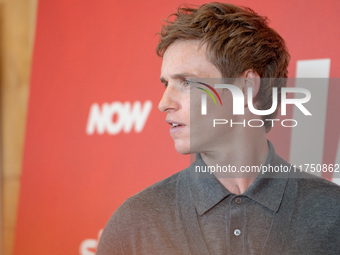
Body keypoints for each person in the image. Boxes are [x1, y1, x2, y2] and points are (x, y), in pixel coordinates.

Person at [97, 2, 340, 254]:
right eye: (166, 84)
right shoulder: (135, 223)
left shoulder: (333, 214)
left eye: (187, 82)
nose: (163, 104)